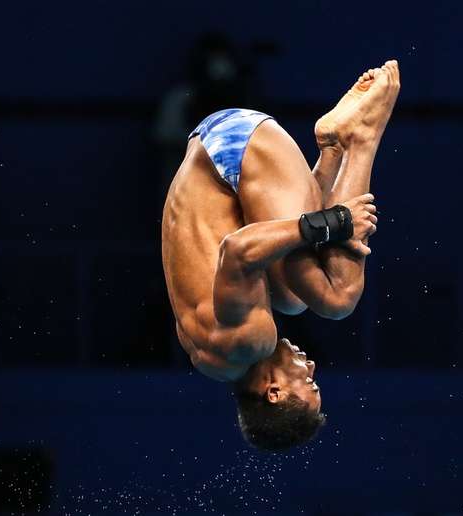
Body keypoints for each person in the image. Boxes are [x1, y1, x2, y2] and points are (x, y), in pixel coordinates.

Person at [161, 60, 400, 451]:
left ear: (273, 393)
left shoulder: (248, 342)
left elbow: (237, 249)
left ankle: (360, 139)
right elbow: (266, 231)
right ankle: (333, 149)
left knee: (338, 298)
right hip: (217, 149)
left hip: (234, 148)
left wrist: (338, 220)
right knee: (292, 299)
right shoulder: (213, 361)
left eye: (308, 382)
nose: (312, 366)